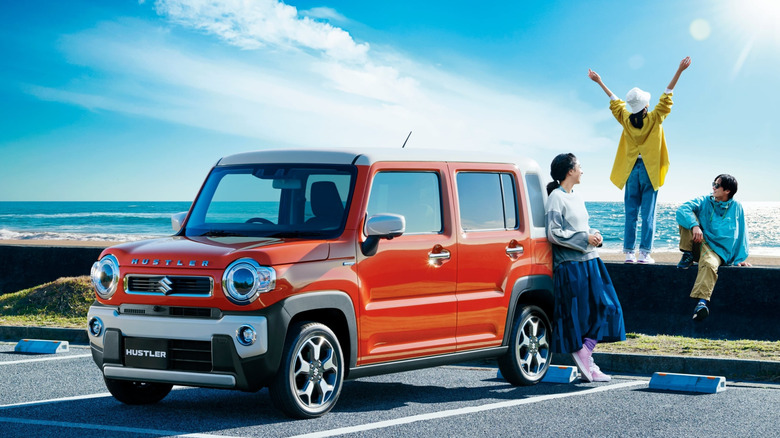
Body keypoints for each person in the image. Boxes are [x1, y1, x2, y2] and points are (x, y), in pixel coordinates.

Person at [588, 57, 692, 264]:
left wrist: (599, 81)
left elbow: (614, 101)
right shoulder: (654, 118)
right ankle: (644, 254)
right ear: (646, 104)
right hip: (649, 170)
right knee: (648, 214)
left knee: (631, 214)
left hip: (631, 171)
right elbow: (667, 96)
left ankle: (628, 253)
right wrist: (679, 70)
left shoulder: (626, 119)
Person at [545, 153, 626, 382]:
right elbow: (553, 232)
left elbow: (584, 227)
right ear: (569, 171)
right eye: (579, 166)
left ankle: (585, 352)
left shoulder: (577, 196)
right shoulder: (556, 197)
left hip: (591, 260)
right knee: (580, 316)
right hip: (571, 265)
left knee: (609, 307)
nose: (582, 170)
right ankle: (586, 360)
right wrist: (584, 237)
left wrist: (595, 235)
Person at [676, 174, 751, 321]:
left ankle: (701, 303)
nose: (713, 187)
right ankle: (687, 254)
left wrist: (739, 259)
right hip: (699, 243)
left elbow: (741, 233)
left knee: (709, 264)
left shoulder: (737, 207)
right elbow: (682, 209)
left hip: (717, 251)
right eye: (713, 184)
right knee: (687, 218)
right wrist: (695, 226)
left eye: (717, 185)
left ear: (727, 190)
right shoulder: (704, 201)